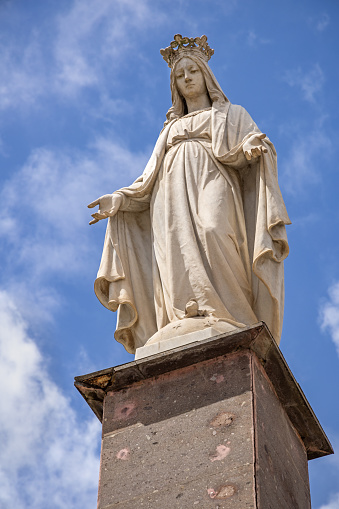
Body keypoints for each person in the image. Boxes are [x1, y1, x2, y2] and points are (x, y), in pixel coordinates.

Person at [88, 35, 291, 354]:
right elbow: (147, 179)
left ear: (205, 76)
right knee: (173, 246)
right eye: (180, 75)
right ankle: (181, 316)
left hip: (213, 178)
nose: (186, 78)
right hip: (169, 193)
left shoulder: (230, 114)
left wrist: (254, 147)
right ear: (175, 86)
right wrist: (121, 199)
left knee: (213, 231)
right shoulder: (169, 129)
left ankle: (229, 314)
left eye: (192, 71)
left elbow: (251, 143)